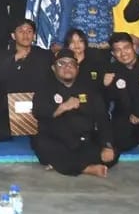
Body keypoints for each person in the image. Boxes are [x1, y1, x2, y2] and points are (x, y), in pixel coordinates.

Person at [32, 49, 114, 177]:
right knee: (41, 144)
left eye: (71, 63)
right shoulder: (45, 88)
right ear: (53, 68)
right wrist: (62, 108)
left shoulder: (89, 88)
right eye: (62, 63)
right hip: (57, 140)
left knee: (112, 152)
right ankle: (87, 168)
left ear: (77, 68)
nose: (67, 67)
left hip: (84, 140)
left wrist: (107, 145)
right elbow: (38, 112)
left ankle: (64, 165)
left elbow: (102, 117)